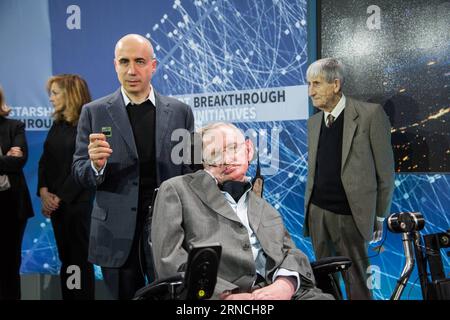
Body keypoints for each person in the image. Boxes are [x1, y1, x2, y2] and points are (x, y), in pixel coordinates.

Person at [72, 34, 194, 300]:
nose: (131, 70)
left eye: (139, 61)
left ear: (154, 65)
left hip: (169, 229)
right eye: (124, 61)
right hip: (115, 232)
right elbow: (80, 173)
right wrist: (95, 166)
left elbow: (188, 173)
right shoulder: (94, 112)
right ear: (115, 65)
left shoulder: (180, 112)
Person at [151, 122, 332, 300]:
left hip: (281, 292)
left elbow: (290, 252)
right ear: (204, 163)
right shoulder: (177, 190)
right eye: (214, 154)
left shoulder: (262, 205)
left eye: (232, 148)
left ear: (248, 149)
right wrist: (226, 296)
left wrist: (285, 284)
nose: (227, 160)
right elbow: (169, 261)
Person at [304, 58, 395, 299]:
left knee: (358, 284)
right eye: (308, 84)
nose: (310, 91)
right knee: (324, 282)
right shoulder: (313, 123)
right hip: (318, 214)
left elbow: (385, 173)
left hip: (352, 216)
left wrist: (378, 216)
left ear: (335, 84)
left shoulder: (370, 115)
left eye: (316, 83)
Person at [38, 74, 95, 300]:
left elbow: (85, 165)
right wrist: (43, 192)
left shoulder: (88, 123)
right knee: (67, 260)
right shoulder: (57, 124)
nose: (50, 99)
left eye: (55, 93)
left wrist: (58, 198)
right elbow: (45, 161)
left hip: (78, 205)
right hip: (58, 207)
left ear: (70, 94)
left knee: (79, 260)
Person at [0, 86, 34, 300]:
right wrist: (6, 158)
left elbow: (18, 161)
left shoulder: (14, 126)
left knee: (9, 265)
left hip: (9, 206)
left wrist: (11, 159)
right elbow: (10, 160)